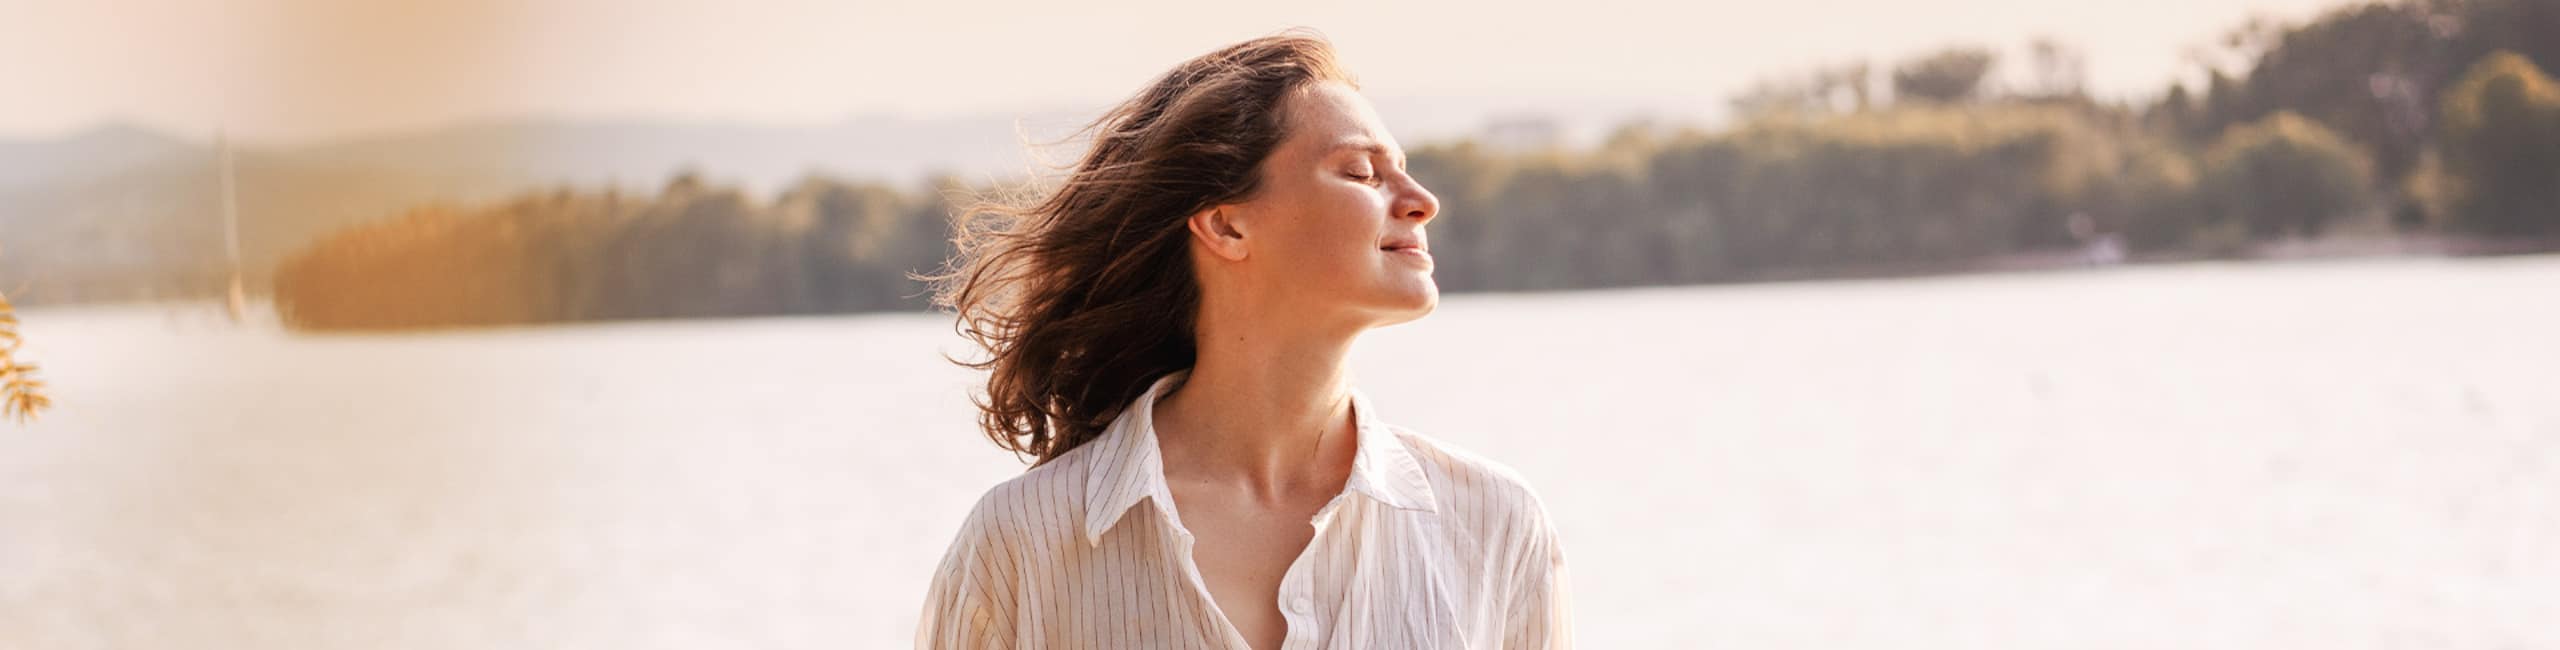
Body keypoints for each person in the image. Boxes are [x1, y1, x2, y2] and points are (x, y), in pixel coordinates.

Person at [916, 29, 1573, 649]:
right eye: (1361, 173)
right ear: (1226, 225)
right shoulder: (1022, 543)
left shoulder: (1493, 525)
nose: (1422, 200)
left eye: (1402, 169)